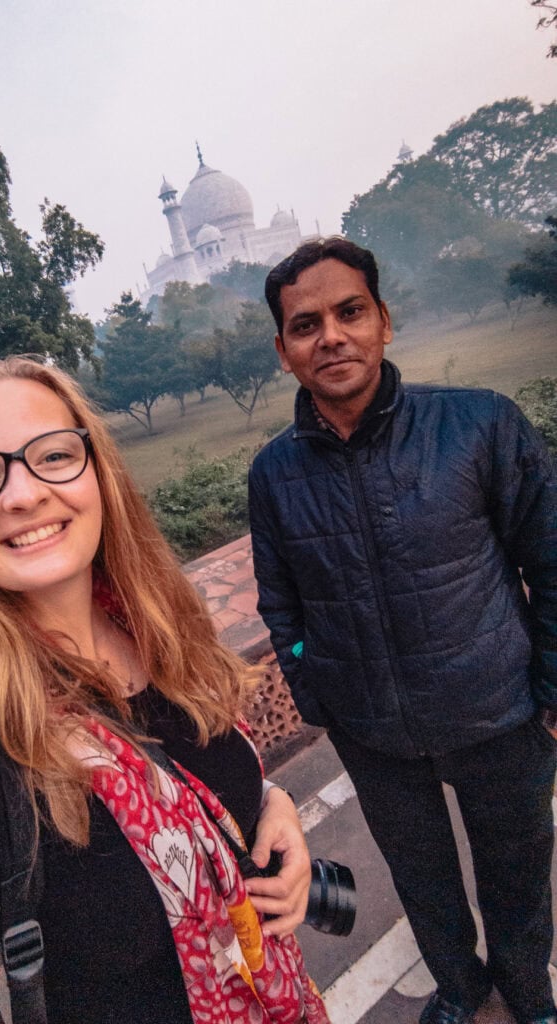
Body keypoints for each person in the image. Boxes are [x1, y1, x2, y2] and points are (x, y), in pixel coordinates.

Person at [0, 355, 330, 1024]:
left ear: (98, 472)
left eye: (52, 456)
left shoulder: (160, 635)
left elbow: (197, 780)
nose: (22, 494)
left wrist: (270, 806)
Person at [248, 237, 557, 1024]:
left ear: (382, 321)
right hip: (373, 735)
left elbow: (549, 558)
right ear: (284, 351)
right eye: (305, 325)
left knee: (517, 875)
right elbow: (281, 603)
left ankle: (529, 996)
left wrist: (551, 690)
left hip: (497, 713)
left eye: (349, 312)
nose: (331, 337)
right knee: (422, 880)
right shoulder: (275, 474)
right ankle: (458, 990)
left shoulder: (477, 424)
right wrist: (317, 691)